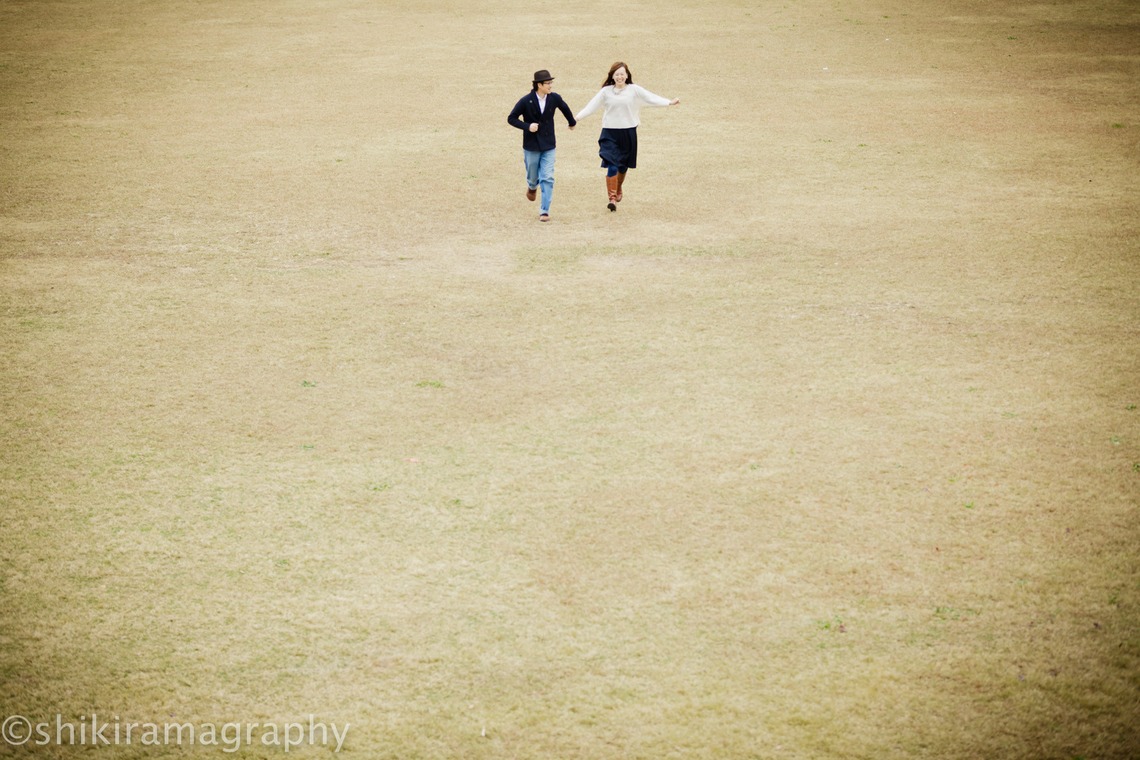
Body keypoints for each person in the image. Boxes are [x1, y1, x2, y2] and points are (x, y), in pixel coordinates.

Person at [575, 61, 679, 211]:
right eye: (617, 74)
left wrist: (668, 102)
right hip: (609, 132)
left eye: (622, 74)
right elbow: (592, 106)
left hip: (628, 132)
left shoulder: (634, 90)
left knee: (623, 166)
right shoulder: (606, 91)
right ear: (612, 76)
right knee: (611, 164)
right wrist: (577, 118)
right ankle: (612, 198)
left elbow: (651, 98)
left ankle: (618, 188)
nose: (620, 77)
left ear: (627, 75)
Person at [507, 69, 576, 222]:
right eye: (548, 83)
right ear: (539, 85)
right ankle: (532, 187)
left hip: (549, 144)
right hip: (531, 145)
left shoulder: (554, 98)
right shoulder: (526, 100)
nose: (551, 85)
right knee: (533, 175)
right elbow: (511, 118)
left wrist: (572, 123)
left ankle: (544, 211)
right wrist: (527, 126)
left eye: (551, 82)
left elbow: (565, 108)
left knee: (548, 177)